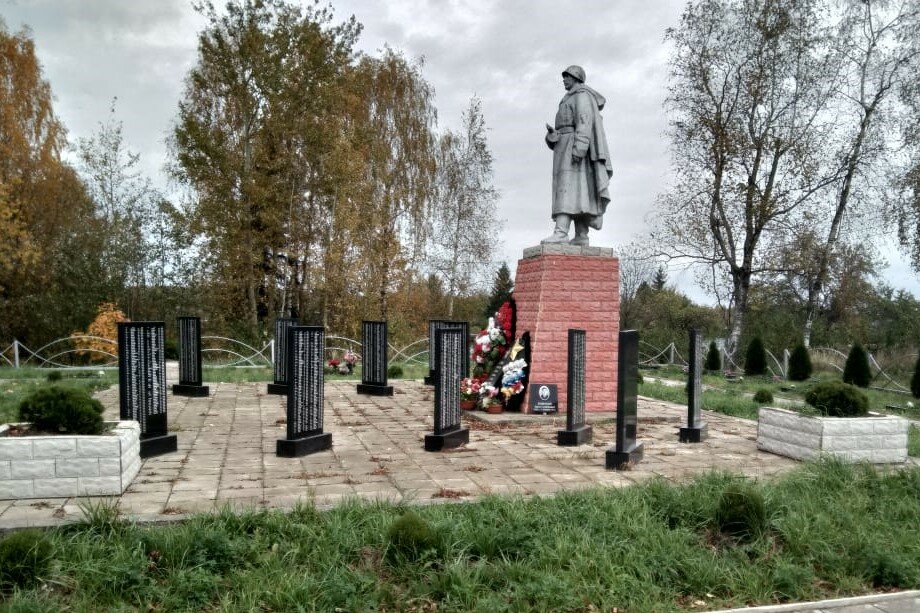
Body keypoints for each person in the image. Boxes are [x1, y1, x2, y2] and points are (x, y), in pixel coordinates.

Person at [542, 65, 613, 246]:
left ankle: (561, 232)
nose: (564, 80)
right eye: (564, 77)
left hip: (574, 147)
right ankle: (581, 234)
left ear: (576, 78)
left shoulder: (581, 96)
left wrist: (579, 148)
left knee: (570, 189)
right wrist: (552, 135)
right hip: (564, 145)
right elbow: (563, 127)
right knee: (580, 192)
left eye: (567, 77)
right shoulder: (567, 98)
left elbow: (584, 121)